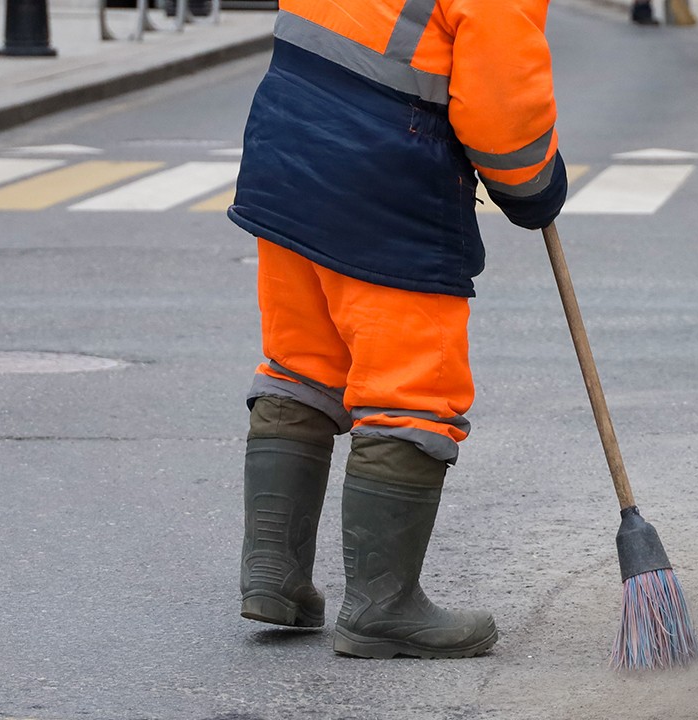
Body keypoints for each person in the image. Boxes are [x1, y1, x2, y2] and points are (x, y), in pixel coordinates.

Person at [228, 0, 568, 659]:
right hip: (385, 184)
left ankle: (275, 573)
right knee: (412, 388)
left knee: (302, 360)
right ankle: (384, 606)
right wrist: (534, 187)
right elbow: (502, 114)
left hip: (287, 151)